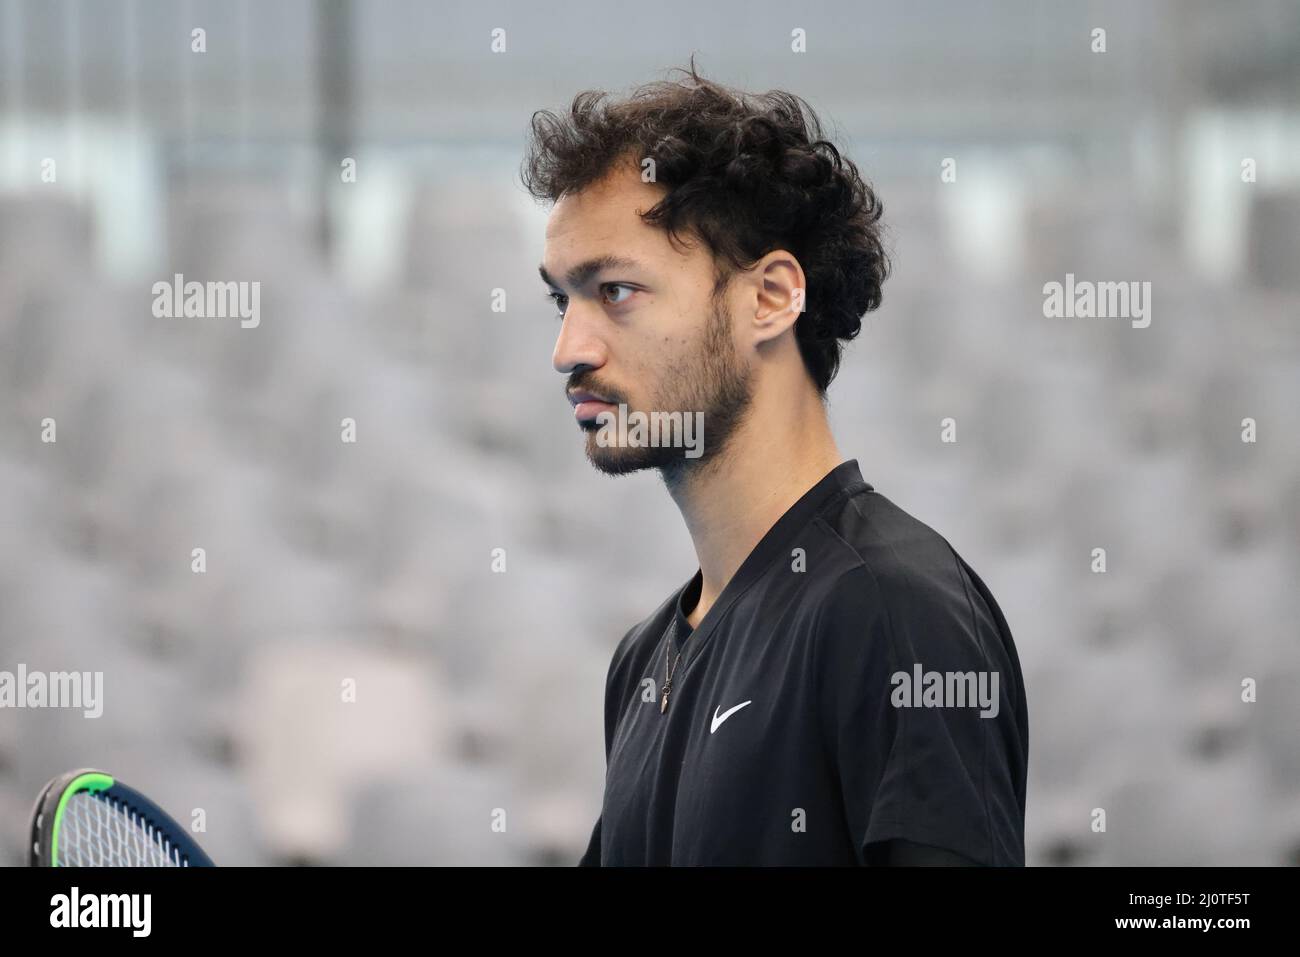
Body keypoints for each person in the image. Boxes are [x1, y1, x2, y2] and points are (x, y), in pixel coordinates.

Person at [523, 60, 1028, 866]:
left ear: (769, 298)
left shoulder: (894, 612)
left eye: (614, 290)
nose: (568, 350)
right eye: (562, 299)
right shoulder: (643, 659)